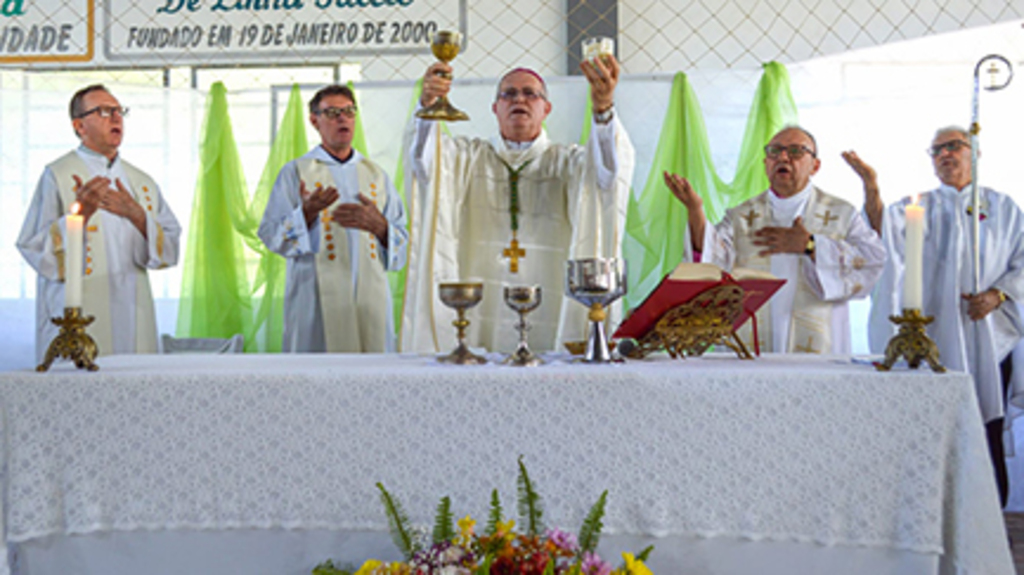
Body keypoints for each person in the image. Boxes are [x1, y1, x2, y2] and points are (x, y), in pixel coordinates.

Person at [401, 58, 635, 354]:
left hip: (549, 303)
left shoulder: (568, 162)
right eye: (508, 94)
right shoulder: (465, 158)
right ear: (495, 108)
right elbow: (424, 164)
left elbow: (608, 174)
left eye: (530, 93)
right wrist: (428, 108)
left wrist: (603, 110)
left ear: (546, 108)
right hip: (480, 308)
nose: (519, 99)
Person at [850, 126, 1024, 506]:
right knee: (929, 430)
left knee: (986, 427)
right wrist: (872, 188)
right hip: (931, 338)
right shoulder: (916, 206)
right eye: (937, 150)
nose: (945, 154)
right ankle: (933, 517)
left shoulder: (1004, 208)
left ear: (974, 153)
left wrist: (998, 294)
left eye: (954, 146)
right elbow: (882, 236)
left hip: (989, 337)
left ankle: (990, 522)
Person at [665, 126, 885, 354]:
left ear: (815, 166)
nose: (782, 157)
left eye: (796, 151)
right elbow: (712, 261)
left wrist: (811, 245)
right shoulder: (741, 216)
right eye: (774, 151)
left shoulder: (841, 214)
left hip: (819, 350)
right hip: (752, 351)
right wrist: (695, 211)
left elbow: (873, 261)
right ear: (765, 163)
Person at [17, 84, 181, 362]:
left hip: (133, 307)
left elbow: (171, 247)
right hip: (79, 312)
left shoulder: (141, 181)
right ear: (79, 125)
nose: (116, 118)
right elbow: (33, 246)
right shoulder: (58, 174)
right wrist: (78, 218)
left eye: (119, 111)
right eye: (104, 111)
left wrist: (137, 215)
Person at [259, 85, 408, 353]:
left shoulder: (375, 175)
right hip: (314, 302)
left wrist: (381, 228)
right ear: (314, 120)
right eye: (333, 113)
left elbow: (405, 243)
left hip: (370, 304)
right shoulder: (296, 172)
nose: (343, 119)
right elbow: (270, 235)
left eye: (349, 112)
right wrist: (306, 213)